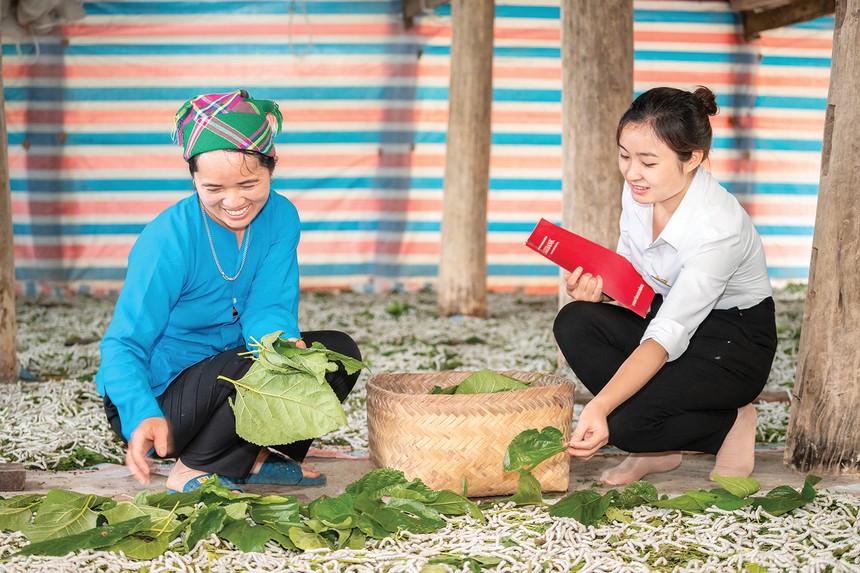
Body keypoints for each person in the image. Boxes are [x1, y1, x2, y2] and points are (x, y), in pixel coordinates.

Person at [95, 90, 362, 492]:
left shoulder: (281, 216)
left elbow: (269, 306)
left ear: (273, 168)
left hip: (231, 373)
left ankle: (248, 460)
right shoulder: (168, 238)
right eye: (213, 188)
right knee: (249, 364)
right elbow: (122, 344)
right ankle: (192, 468)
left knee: (337, 354)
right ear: (193, 178)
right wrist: (140, 414)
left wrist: (284, 346)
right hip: (161, 400)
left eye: (250, 183)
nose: (234, 201)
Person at [553, 86, 776, 486]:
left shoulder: (716, 227)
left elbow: (666, 335)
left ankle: (730, 423)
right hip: (668, 310)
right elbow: (637, 274)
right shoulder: (641, 190)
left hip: (733, 341)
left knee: (624, 424)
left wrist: (599, 407)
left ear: (692, 159)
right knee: (575, 321)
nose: (632, 172)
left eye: (648, 162)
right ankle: (660, 449)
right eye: (624, 156)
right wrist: (600, 291)